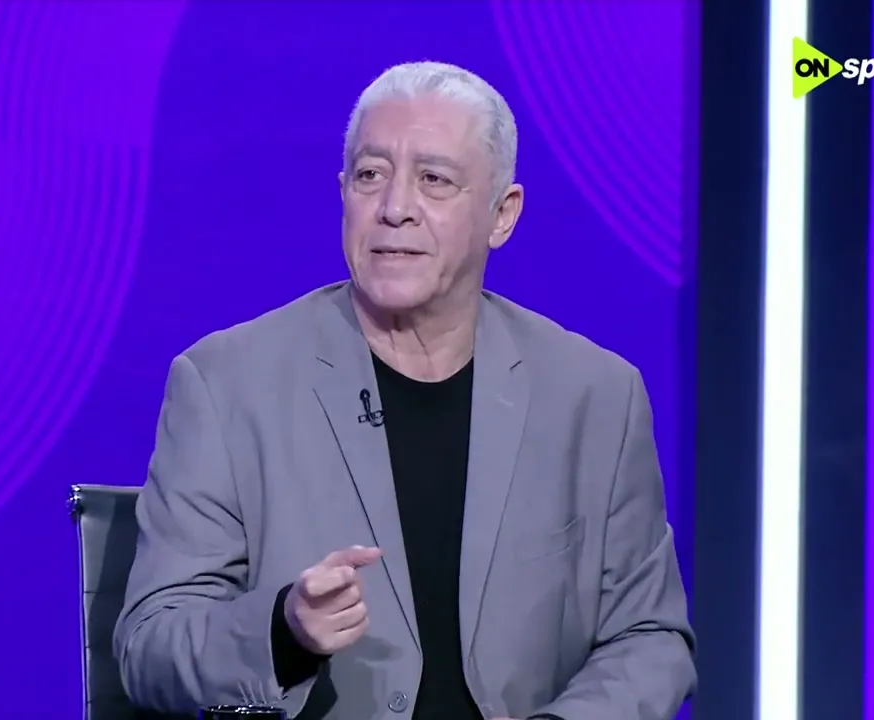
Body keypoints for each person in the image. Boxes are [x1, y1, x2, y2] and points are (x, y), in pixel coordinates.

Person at [114, 61, 696, 720]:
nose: (394, 209)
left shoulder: (596, 397)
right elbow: (150, 647)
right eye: (370, 175)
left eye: (434, 180)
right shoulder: (226, 385)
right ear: (343, 194)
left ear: (502, 215)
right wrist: (283, 630)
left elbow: (649, 639)